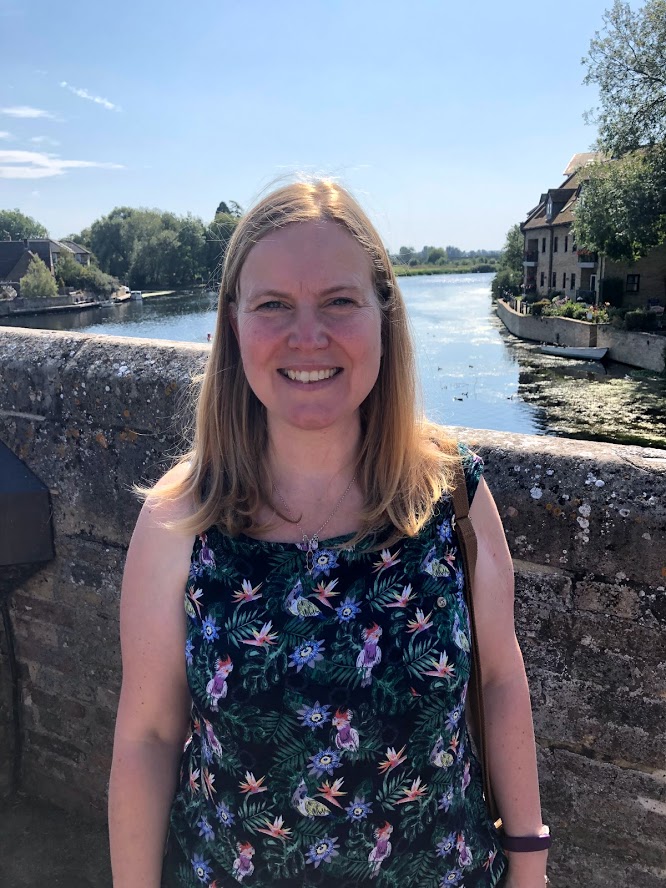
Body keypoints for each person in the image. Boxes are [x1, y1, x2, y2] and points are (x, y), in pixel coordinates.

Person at [109, 180, 549, 888]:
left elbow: (498, 680)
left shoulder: (450, 494)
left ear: (385, 315)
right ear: (233, 323)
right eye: (273, 305)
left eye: (340, 301)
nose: (307, 336)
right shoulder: (179, 517)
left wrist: (530, 863)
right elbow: (149, 737)